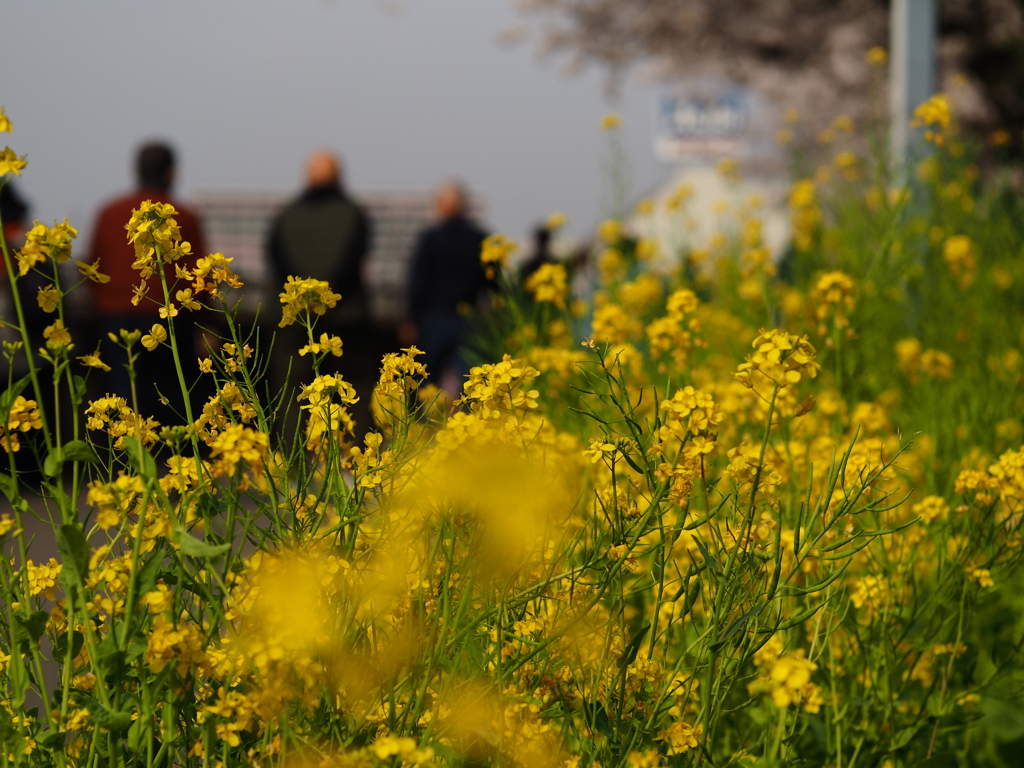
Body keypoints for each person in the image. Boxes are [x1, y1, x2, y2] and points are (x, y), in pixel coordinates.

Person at [87, 142, 207, 421]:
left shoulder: (109, 212)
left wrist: (101, 307)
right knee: (175, 393)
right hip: (171, 316)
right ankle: (176, 458)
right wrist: (206, 320)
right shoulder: (182, 214)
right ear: (171, 173)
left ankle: (128, 458)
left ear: (136, 170)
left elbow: (94, 268)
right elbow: (199, 275)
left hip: (116, 316)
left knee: (124, 392)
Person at [266, 150, 373, 434]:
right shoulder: (353, 212)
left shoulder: (286, 214)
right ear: (339, 177)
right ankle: (356, 460)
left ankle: (291, 462)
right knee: (353, 385)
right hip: (345, 314)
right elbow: (355, 256)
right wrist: (330, 290)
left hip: (295, 315)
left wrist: (303, 296)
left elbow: (277, 259)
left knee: (292, 388)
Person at [401, 180, 489, 389]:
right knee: (471, 385)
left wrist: (410, 318)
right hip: (470, 319)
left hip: (435, 319)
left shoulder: (431, 239)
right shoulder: (479, 238)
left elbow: (417, 282)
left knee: (426, 384)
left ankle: (427, 422)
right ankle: (471, 421)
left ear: (441, 204)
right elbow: (492, 283)